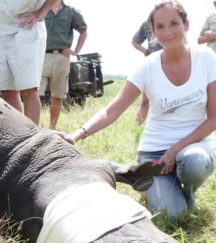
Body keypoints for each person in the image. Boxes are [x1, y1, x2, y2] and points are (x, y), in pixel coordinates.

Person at [58, 0, 216, 218]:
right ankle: (158, 188)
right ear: (152, 31)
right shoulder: (147, 67)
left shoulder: (206, 59)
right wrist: (77, 135)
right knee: (172, 215)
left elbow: (213, 118)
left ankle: (187, 192)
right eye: (160, 27)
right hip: (156, 154)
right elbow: (111, 111)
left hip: (194, 148)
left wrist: (176, 149)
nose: (168, 32)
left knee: (195, 162)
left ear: (186, 24)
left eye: (174, 24)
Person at [0, 0, 58, 125]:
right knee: (7, 91)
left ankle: (31, 141)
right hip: (2, 28)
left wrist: (39, 13)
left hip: (26, 27)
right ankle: (16, 136)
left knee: (29, 90)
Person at [39, 0, 87, 129]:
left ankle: (52, 128)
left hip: (62, 57)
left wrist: (76, 51)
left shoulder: (71, 11)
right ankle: (33, 127)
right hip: (41, 55)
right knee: (35, 92)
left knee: (58, 94)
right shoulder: (40, 7)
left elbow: (84, 30)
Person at [132, 20, 162, 125]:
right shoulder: (146, 24)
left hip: (172, 65)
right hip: (153, 65)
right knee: (145, 101)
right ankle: (137, 127)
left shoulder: (173, 19)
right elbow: (134, 41)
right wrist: (146, 52)